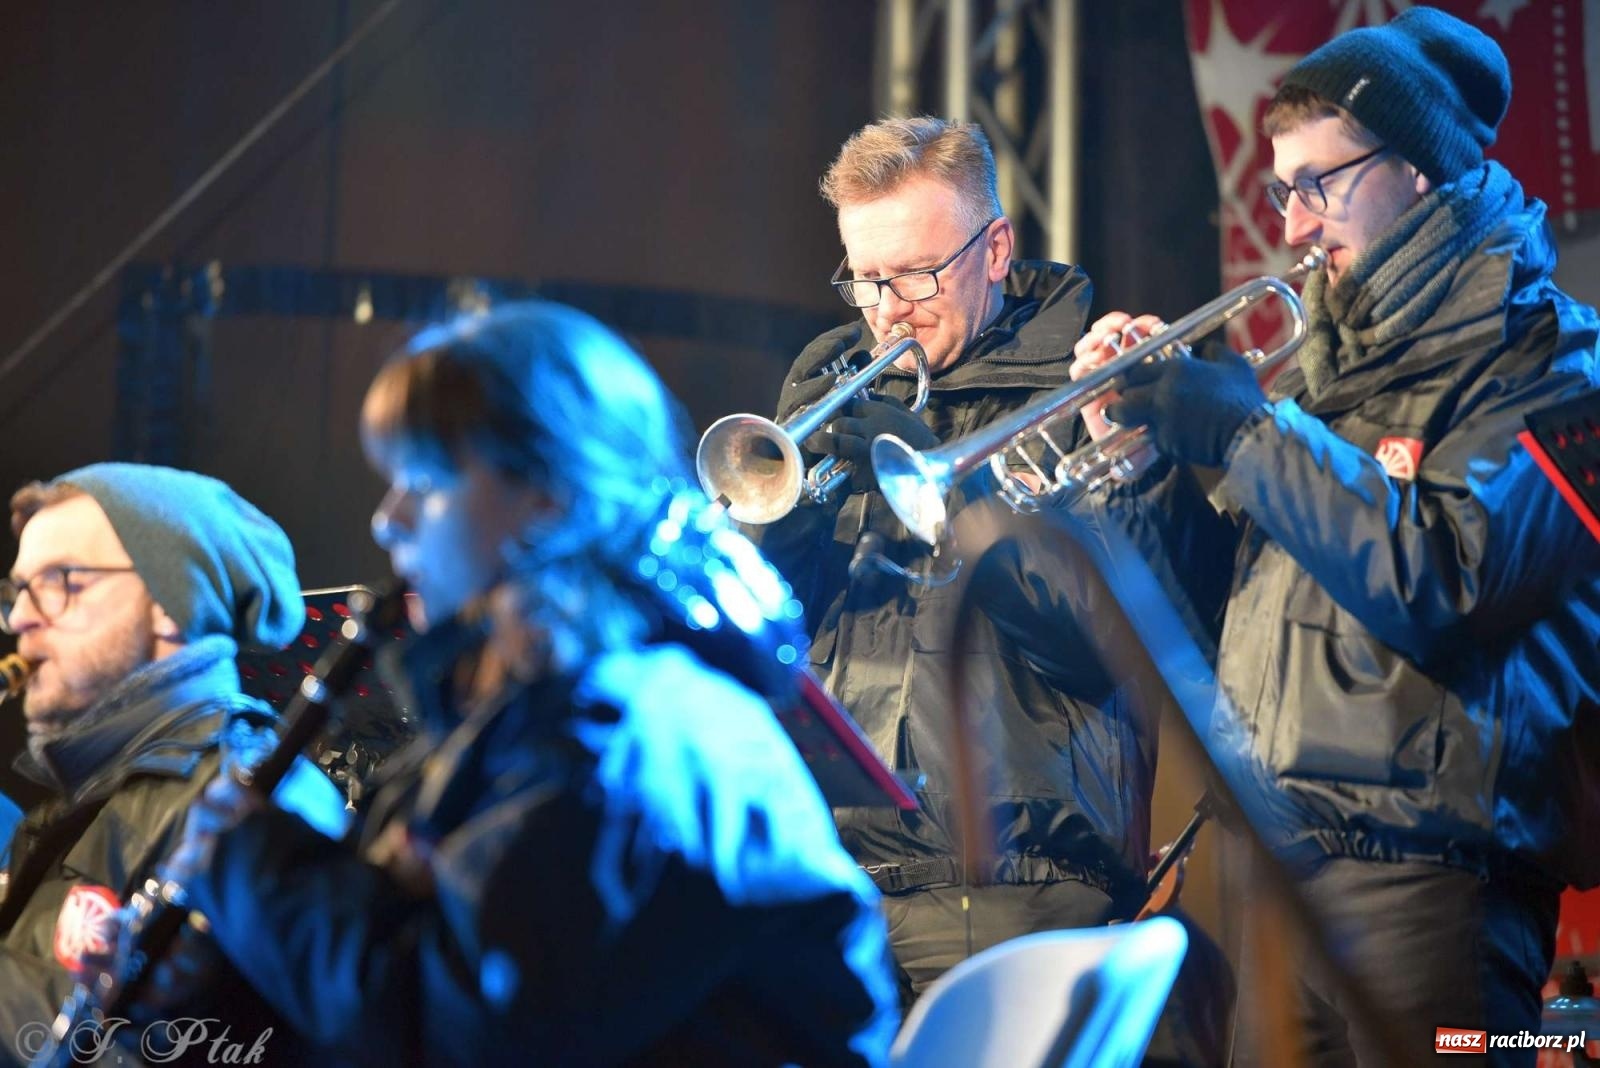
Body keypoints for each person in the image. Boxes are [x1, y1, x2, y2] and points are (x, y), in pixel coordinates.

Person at [1074, 8, 1600, 1064]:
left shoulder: (1546, 361)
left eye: (1321, 182)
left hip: (1428, 885)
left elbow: (1443, 582)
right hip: (1269, 873)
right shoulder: (1321, 375)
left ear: (1416, 171)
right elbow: (1216, 628)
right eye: (1282, 190)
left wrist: (1248, 430)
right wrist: (1139, 470)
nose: (1296, 225)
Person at [172, 301, 899, 1066]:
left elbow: (466, 1034)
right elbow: (380, 993)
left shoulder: (635, 736)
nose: (389, 520)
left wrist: (255, 870)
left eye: (425, 479)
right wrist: (214, 987)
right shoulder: (513, 717)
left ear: (550, 495)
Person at [751, 114, 1231, 1006]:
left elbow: (1103, 638)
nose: (888, 309)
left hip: (1018, 882)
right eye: (865, 280)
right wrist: (771, 542)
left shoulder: (1086, 390)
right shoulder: (830, 382)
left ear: (996, 248)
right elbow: (767, 649)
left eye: (916, 275)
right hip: (837, 875)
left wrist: (940, 483)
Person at [0, 463, 345, 1066]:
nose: (18, 618)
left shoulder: (254, 794)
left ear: (168, 601)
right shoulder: (89, 795)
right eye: (18, 590)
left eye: (59, 580)